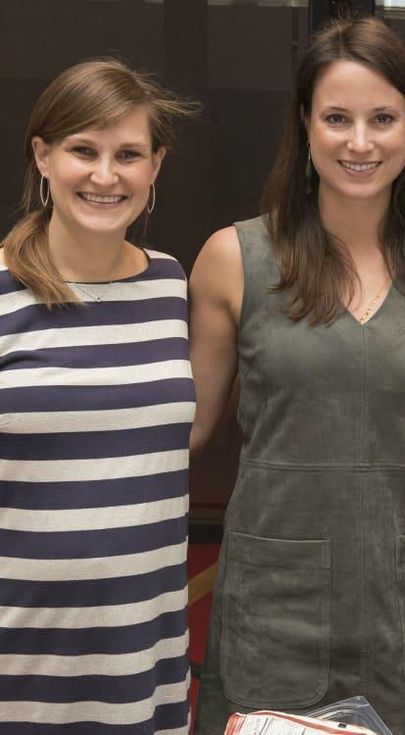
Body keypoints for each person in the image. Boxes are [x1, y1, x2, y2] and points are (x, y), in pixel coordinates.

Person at [189, 17, 405, 734]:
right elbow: (186, 431)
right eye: (337, 118)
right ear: (305, 124)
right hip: (272, 603)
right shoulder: (234, 259)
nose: (360, 142)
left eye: (382, 118)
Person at [0, 59, 197, 733]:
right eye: (84, 150)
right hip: (17, 670)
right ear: (43, 156)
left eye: (129, 155)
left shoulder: (170, 286)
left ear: (156, 166)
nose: (106, 176)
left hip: (143, 668)